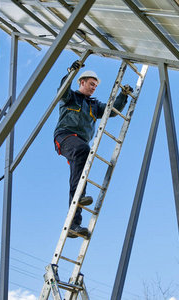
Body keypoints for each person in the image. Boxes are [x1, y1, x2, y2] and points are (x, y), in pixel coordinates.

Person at [53, 60, 133, 238]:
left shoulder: (93, 105)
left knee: (80, 175)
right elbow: (62, 90)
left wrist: (123, 96)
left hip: (80, 144)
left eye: (95, 86)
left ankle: (74, 224)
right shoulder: (70, 97)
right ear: (82, 82)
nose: (93, 88)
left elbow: (111, 111)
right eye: (91, 84)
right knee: (83, 151)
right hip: (65, 136)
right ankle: (79, 197)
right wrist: (71, 72)